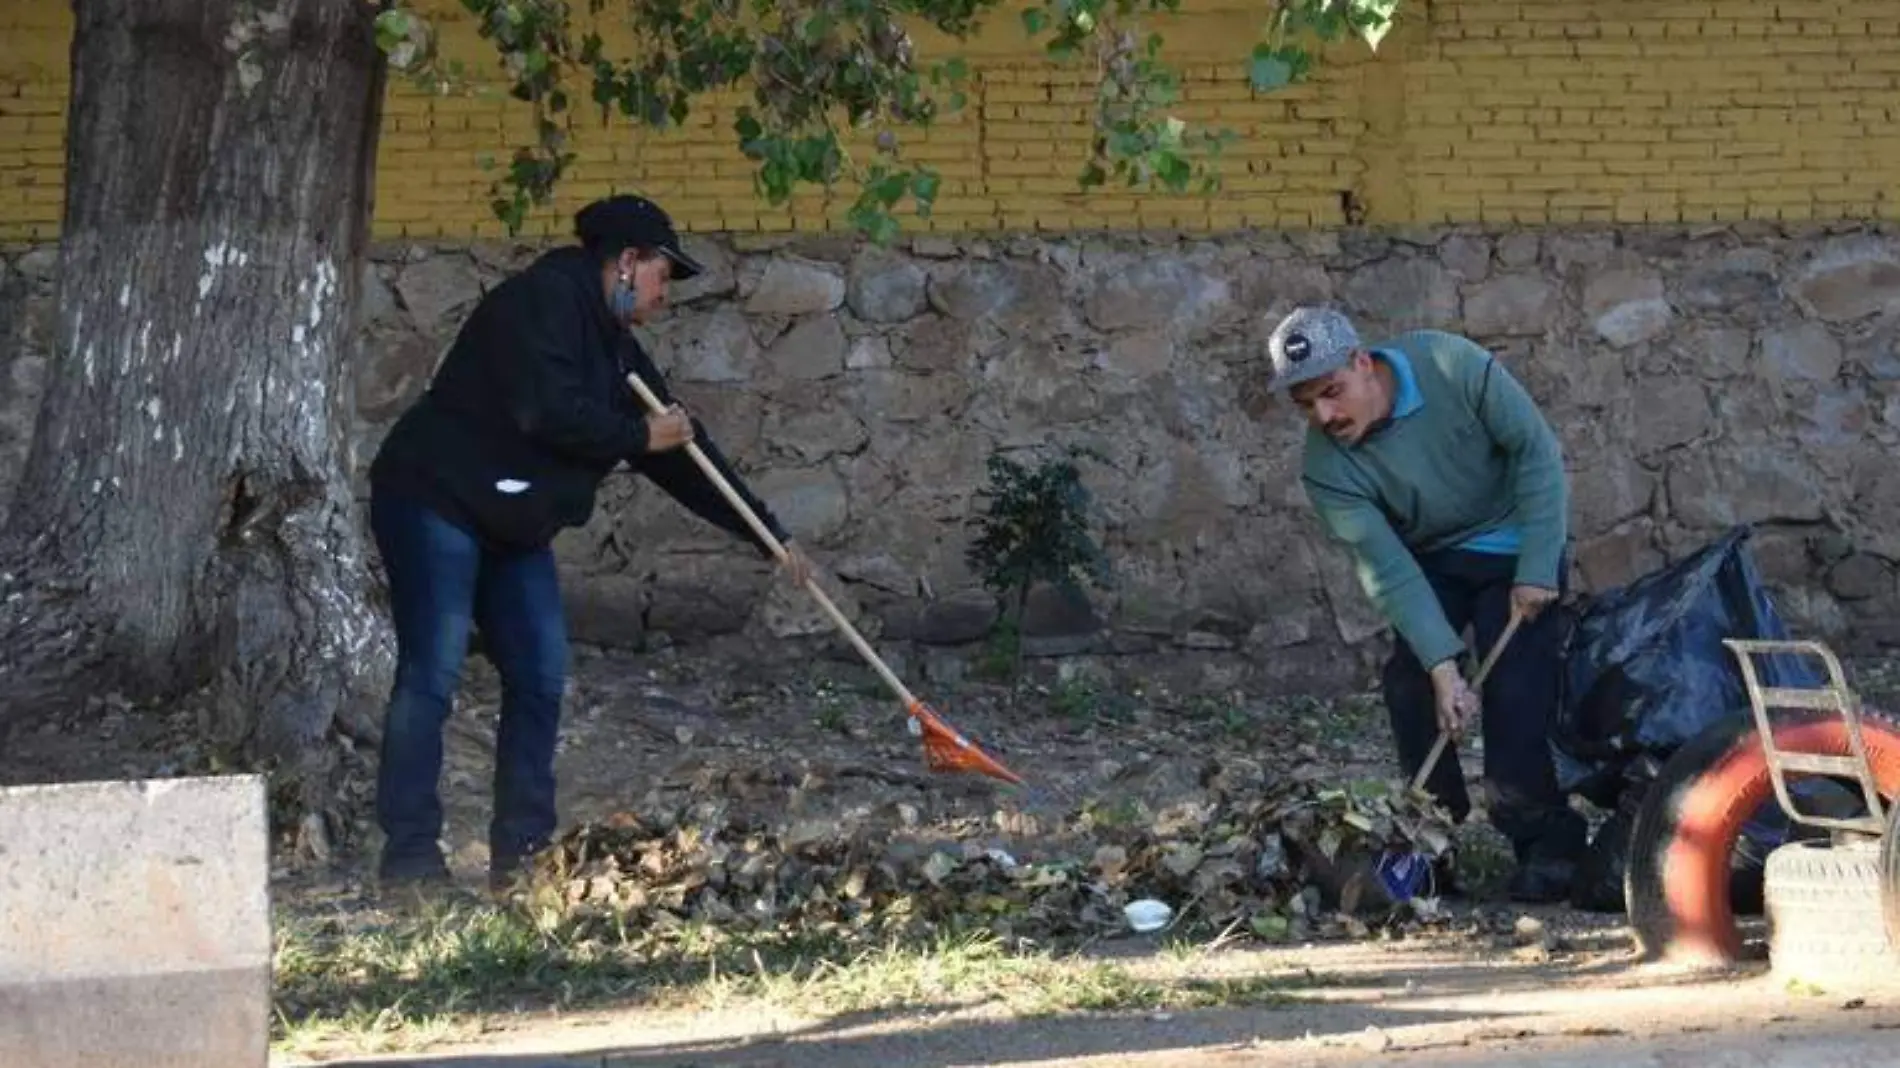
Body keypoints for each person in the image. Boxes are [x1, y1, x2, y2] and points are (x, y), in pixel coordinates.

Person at [366, 193, 814, 893]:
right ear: (627, 262)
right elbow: (543, 410)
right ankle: (411, 861)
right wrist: (639, 435)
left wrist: (768, 535)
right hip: (435, 500)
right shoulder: (537, 302)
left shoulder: (618, 351)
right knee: (433, 673)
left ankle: (522, 860)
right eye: (665, 275)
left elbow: (683, 454)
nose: (666, 295)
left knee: (541, 675)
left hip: (514, 526)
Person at [1265, 305, 1586, 904]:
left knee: (1518, 686)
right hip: (1430, 560)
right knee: (1410, 685)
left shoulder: (1452, 364)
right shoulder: (1325, 468)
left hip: (1515, 544)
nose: (1324, 416)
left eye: (1332, 393)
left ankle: (1547, 843)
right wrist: (1443, 667)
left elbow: (1535, 451)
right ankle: (1432, 842)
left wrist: (1539, 568)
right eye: (1306, 406)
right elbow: (1386, 567)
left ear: (1364, 363)